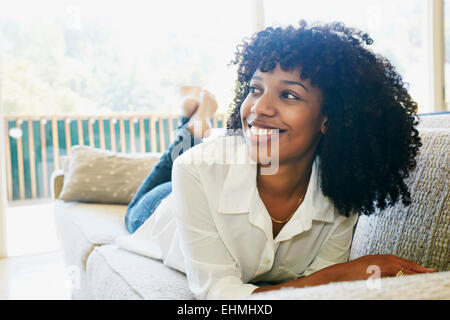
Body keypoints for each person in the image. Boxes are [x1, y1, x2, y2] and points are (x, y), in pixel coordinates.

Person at [118, 20, 434, 300]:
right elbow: (219, 294)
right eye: (255, 89)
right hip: (160, 214)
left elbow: (318, 288)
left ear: (330, 118)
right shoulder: (194, 170)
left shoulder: (342, 188)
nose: (259, 108)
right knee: (152, 189)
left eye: (289, 95)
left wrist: (334, 279)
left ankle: (197, 125)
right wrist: (341, 275)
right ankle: (191, 125)